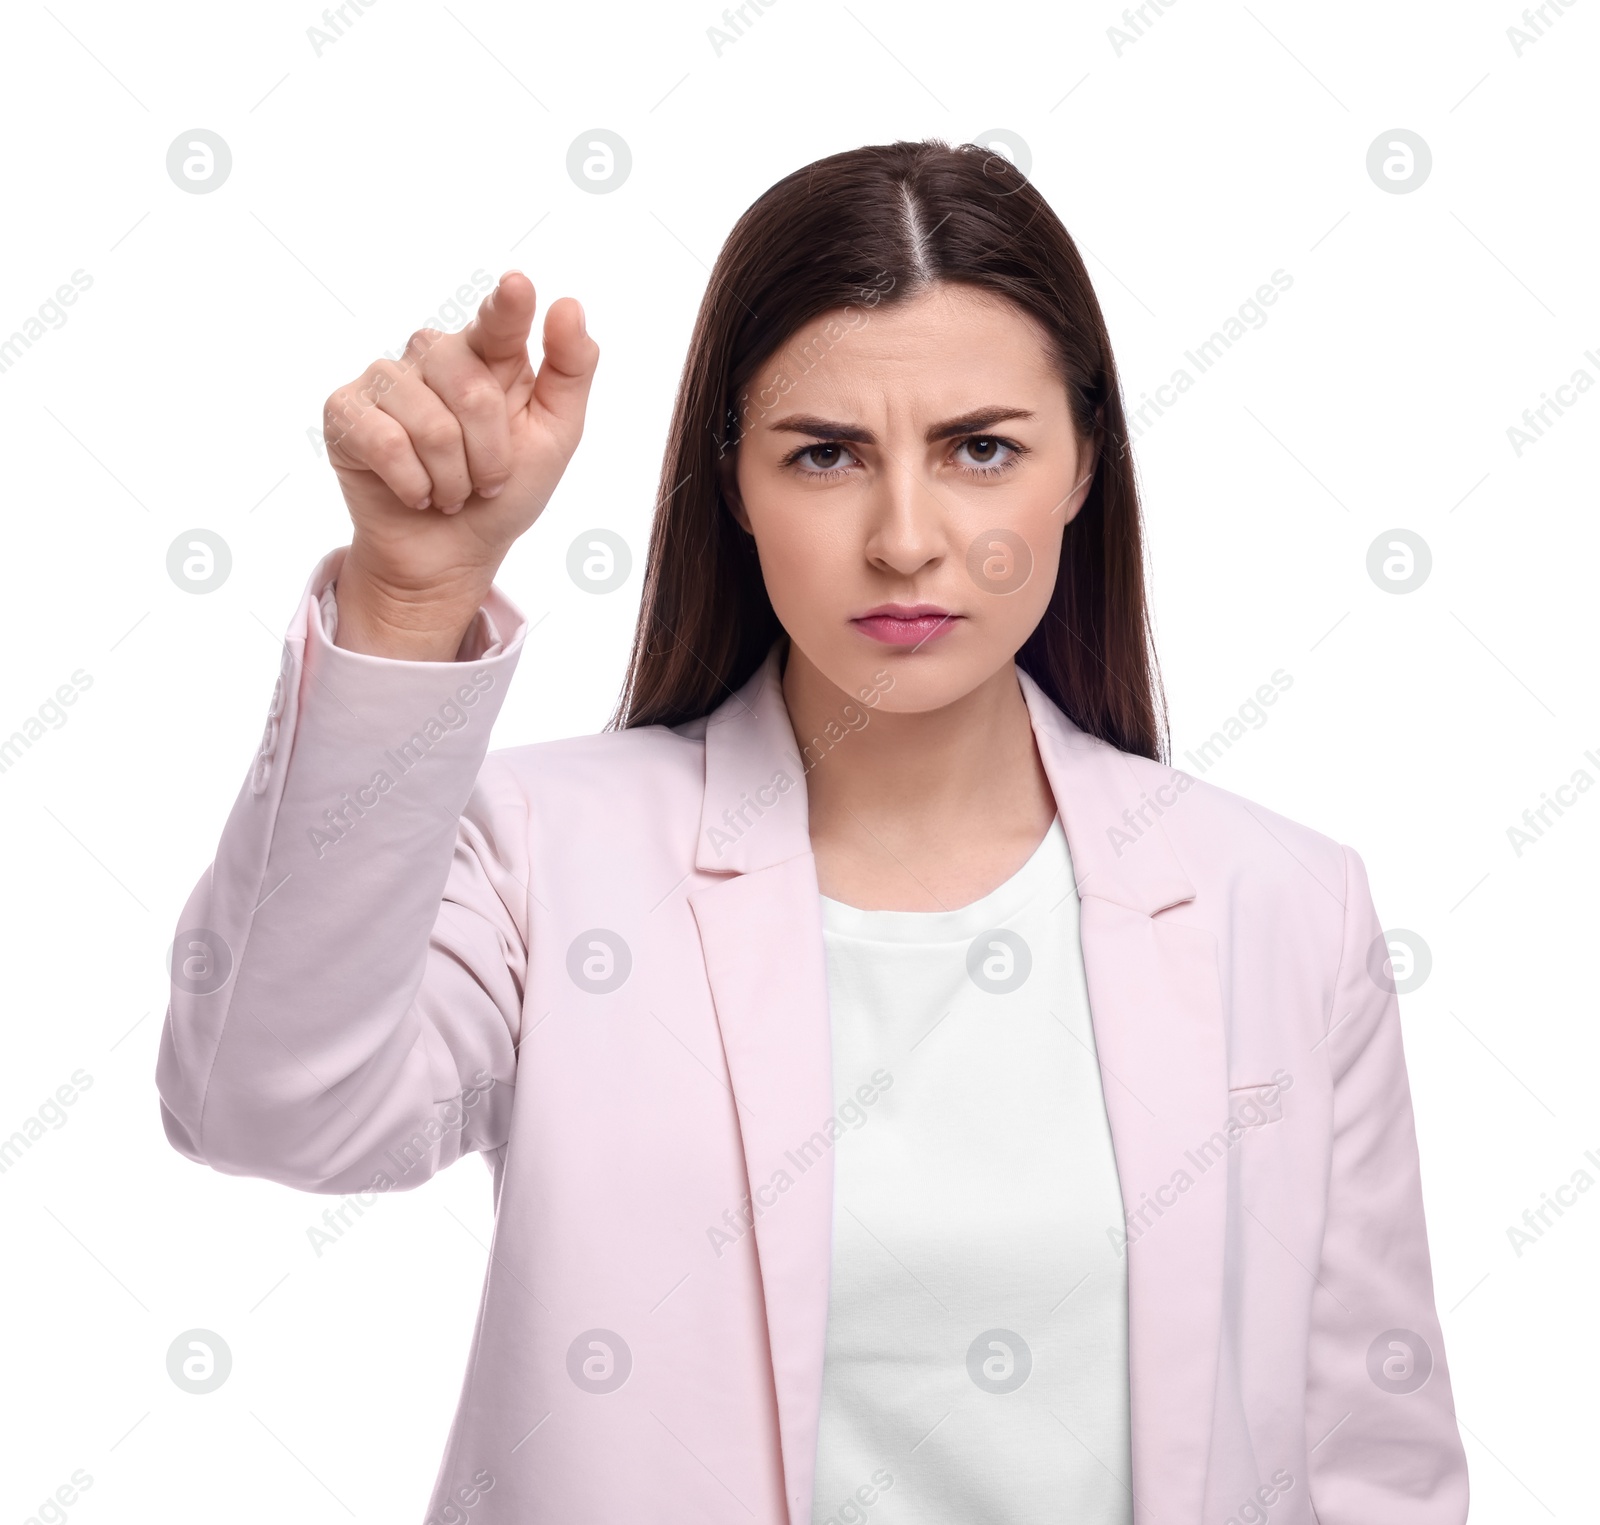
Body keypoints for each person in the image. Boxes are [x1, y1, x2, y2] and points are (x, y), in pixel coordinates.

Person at [156, 139, 1468, 1524]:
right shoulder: (551, 851)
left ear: (1083, 463)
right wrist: (410, 601)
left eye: (981, 448)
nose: (906, 538)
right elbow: (266, 1104)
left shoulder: (1282, 905)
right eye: (827, 453)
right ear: (736, 480)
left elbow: (1368, 1467)